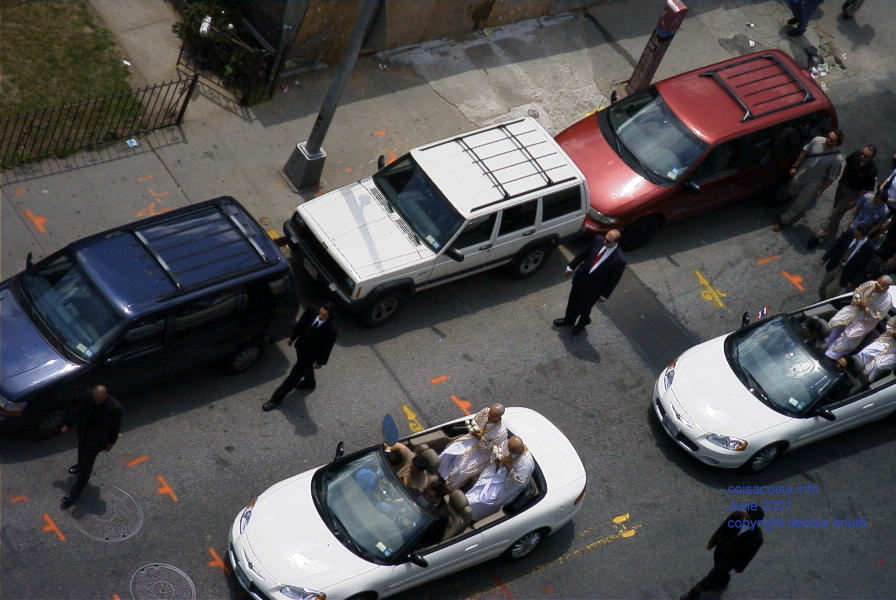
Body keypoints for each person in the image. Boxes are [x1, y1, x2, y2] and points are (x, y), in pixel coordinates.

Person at [680, 506, 765, 600]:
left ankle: (693, 593)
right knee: (718, 568)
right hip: (721, 548)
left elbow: (749, 554)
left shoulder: (757, 537)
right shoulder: (736, 516)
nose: (746, 519)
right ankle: (723, 580)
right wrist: (712, 542)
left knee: (713, 575)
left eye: (750, 519)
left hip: (732, 559)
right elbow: (722, 528)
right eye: (747, 515)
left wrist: (741, 566)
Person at [263, 303, 337, 411]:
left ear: (330, 316)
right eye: (320, 312)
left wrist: (320, 362)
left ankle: (276, 399)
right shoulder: (311, 312)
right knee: (306, 367)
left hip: (310, 355)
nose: (320, 316)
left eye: (324, 315)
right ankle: (309, 383)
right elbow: (301, 325)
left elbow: (327, 348)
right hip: (300, 347)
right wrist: (292, 337)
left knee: (293, 377)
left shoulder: (331, 330)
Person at [60, 385, 123, 509]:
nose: (96, 402)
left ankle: (74, 494)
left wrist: (111, 442)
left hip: (97, 441)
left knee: (87, 465)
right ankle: (79, 465)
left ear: (106, 396)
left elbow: (115, 427)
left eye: (99, 400)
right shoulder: (88, 395)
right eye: (95, 399)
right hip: (83, 433)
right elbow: (78, 410)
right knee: (81, 450)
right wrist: (68, 425)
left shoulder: (115, 408)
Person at [554, 229, 627, 334]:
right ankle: (569, 320)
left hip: (594, 288)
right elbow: (583, 254)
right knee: (572, 301)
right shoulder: (597, 240)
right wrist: (571, 266)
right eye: (605, 238)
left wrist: (604, 295)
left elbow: (614, 280)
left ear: (616, 242)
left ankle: (582, 323)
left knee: (584, 307)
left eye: (608, 242)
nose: (604, 242)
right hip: (580, 279)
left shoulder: (619, 260)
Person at [773, 129, 844, 232]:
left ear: (837, 143)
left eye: (832, 140)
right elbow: (804, 152)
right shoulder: (817, 140)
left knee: (800, 203)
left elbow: (831, 177)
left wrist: (821, 190)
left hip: (815, 182)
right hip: (803, 172)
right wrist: (795, 166)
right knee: (792, 187)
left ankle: (784, 220)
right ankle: (787, 198)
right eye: (828, 137)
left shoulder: (837, 159)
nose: (828, 140)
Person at [807, 145, 878, 248]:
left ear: (871, 158)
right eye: (862, 154)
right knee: (836, 209)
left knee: (836, 213)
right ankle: (832, 228)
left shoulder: (871, 170)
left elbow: (866, 188)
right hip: (843, 185)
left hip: (852, 193)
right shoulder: (855, 155)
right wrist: (841, 178)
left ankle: (819, 235)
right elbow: (847, 165)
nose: (862, 157)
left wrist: (856, 200)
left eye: (866, 156)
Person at [438, 404, 507, 491]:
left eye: (492, 416)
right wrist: (476, 432)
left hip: (483, 452)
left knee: (461, 470)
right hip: (471, 438)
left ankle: (449, 487)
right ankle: (440, 474)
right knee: (449, 451)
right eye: (490, 413)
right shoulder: (485, 411)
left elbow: (491, 448)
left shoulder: (501, 433)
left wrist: (480, 437)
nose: (489, 416)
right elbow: (474, 422)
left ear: (499, 417)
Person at [465, 436, 535, 521]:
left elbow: (519, 481)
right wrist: (499, 459)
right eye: (509, 449)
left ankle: (472, 517)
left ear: (520, 449)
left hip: (506, 485)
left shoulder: (526, 463)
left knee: (486, 500)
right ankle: (464, 504)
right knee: (480, 486)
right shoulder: (509, 444)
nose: (509, 451)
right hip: (498, 472)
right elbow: (499, 451)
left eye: (512, 451)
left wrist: (509, 467)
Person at [824, 276, 893, 359]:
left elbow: (878, 316)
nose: (877, 286)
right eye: (877, 283)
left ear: (887, 288)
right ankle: (824, 342)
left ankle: (830, 355)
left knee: (849, 337)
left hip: (865, 322)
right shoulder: (869, 284)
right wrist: (858, 300)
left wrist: (866, 309)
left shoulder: (887, 301)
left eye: (881, 286)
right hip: (854, 310)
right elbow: (857, 291)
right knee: (836, 322)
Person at [817, 224, 875, 300]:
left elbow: (863, 266)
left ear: (862, 235)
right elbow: (836, 245)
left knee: (831, 291)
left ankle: (825, 302)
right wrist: (825, 258)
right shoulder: (849, 233)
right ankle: (822, 300)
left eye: (856, 234)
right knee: (823, 285)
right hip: (836, 264)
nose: (854, 234)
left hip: (846, 272)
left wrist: (852, 280)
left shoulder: (869, 248)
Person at [855, 316, 896, 384]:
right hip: (887, 340)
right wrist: (893, 332)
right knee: (864, 353)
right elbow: (890, 323)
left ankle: (861, 384)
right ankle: (850, 373)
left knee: (878, 366)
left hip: (894, 353)